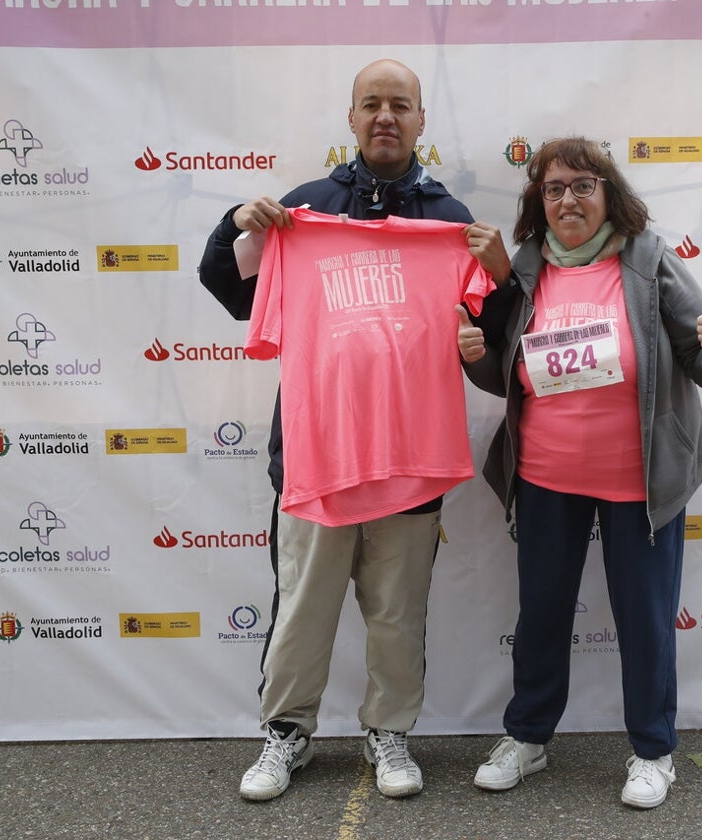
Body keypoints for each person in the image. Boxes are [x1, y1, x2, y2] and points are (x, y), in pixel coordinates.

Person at [198, 58, 510, 802]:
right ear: (351, 117)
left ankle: (389, 730)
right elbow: (233, 294)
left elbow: (494, 329)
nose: (385, 117)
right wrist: (234, 227)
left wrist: (497, 283)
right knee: (302, 607)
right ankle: (286, 733)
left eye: (400, 105)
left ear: (421, 120)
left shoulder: (450, 221)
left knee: (398, 610)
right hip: (314, 455)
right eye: (372, 104)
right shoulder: (302, 212)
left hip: (410, 458)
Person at [456, 136, 702, 809]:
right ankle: (527, 738)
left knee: (644, 620)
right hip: (545, 478)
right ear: (540, 203)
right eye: (553, 189)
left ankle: (652, 751)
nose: (567, 200)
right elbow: (509, 375)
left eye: (582, 185)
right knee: (542, 616)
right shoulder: (526, 269)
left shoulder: (647, 261)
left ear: (607, 194)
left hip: (640, 485)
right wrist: (474, 356)